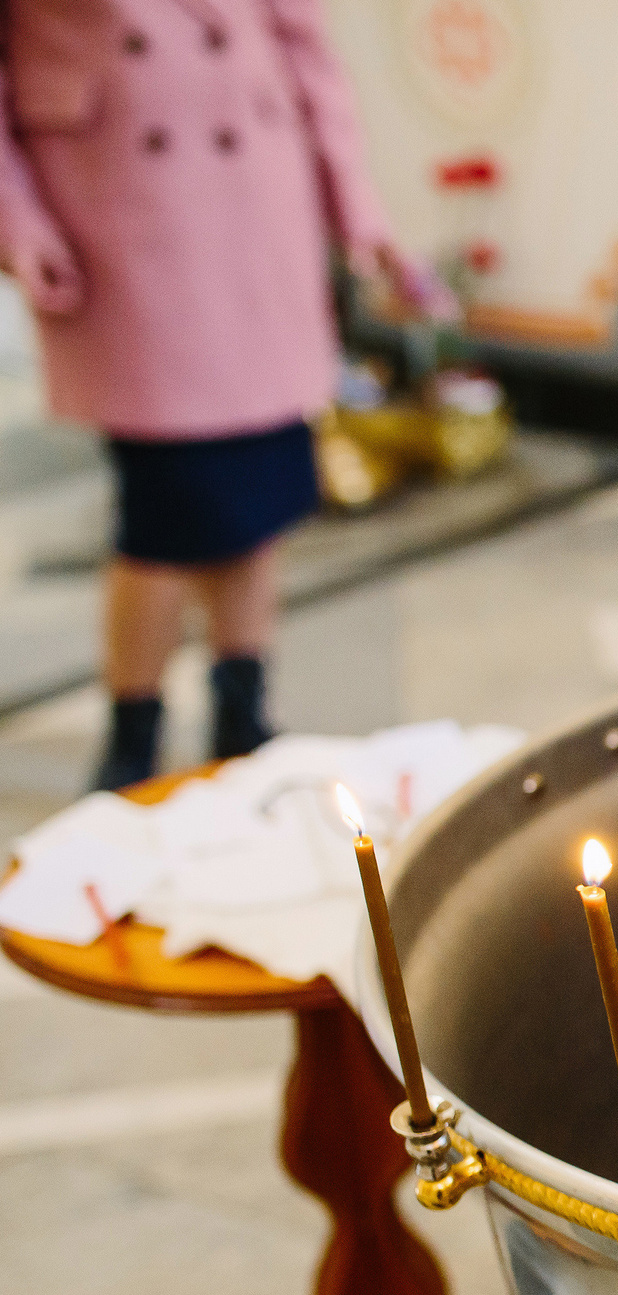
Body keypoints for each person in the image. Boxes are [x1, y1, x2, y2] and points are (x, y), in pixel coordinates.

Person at [0, 0, 421, 789]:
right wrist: (16, 224)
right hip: (122, 217)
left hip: (256, 205)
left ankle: (242, 713)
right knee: (165, 509)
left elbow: (306, 50)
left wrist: (354, 203)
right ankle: (133, 737)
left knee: (260, 489)